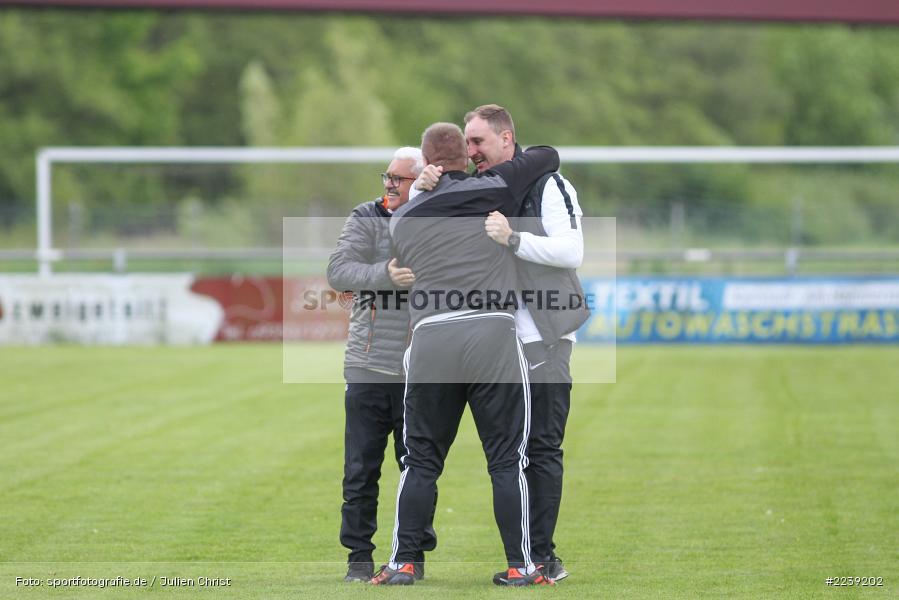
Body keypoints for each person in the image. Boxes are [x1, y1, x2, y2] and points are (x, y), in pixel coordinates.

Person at [370, 123, 559, 586]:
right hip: (492, 332)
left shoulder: (405, 216)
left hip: (433, 336)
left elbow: (403, 241)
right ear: (465, 155)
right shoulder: (493, 186)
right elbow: (549, 155)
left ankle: (404, 563)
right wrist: (506, 160)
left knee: (420, 459)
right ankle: (522, 565)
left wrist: (419, 188)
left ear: (427, 161)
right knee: (505, 460)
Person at [416, 104, 588, 582]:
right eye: (466, 145)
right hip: (496, 341)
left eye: (478, 143)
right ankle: (523, 560)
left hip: (546, 337)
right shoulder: (481, 187)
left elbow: (571, 250)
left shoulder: (548, 184)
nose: (471, 153)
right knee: (502, 455)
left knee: (543, 447)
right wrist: (420, 186)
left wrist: (513, 239)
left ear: (506, 140)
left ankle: (544, 558)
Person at [326, 147, 436, 583]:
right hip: (367, 365)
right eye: (386, 176)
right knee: (360, 469)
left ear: (423, 180)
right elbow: (339, 271)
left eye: (400, 178)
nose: (389, 184)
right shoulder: (366, 215)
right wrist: (386, 274)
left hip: (421, 369)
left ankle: (412, 553)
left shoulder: (438, 218)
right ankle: (358, 558)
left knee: (419, 468)